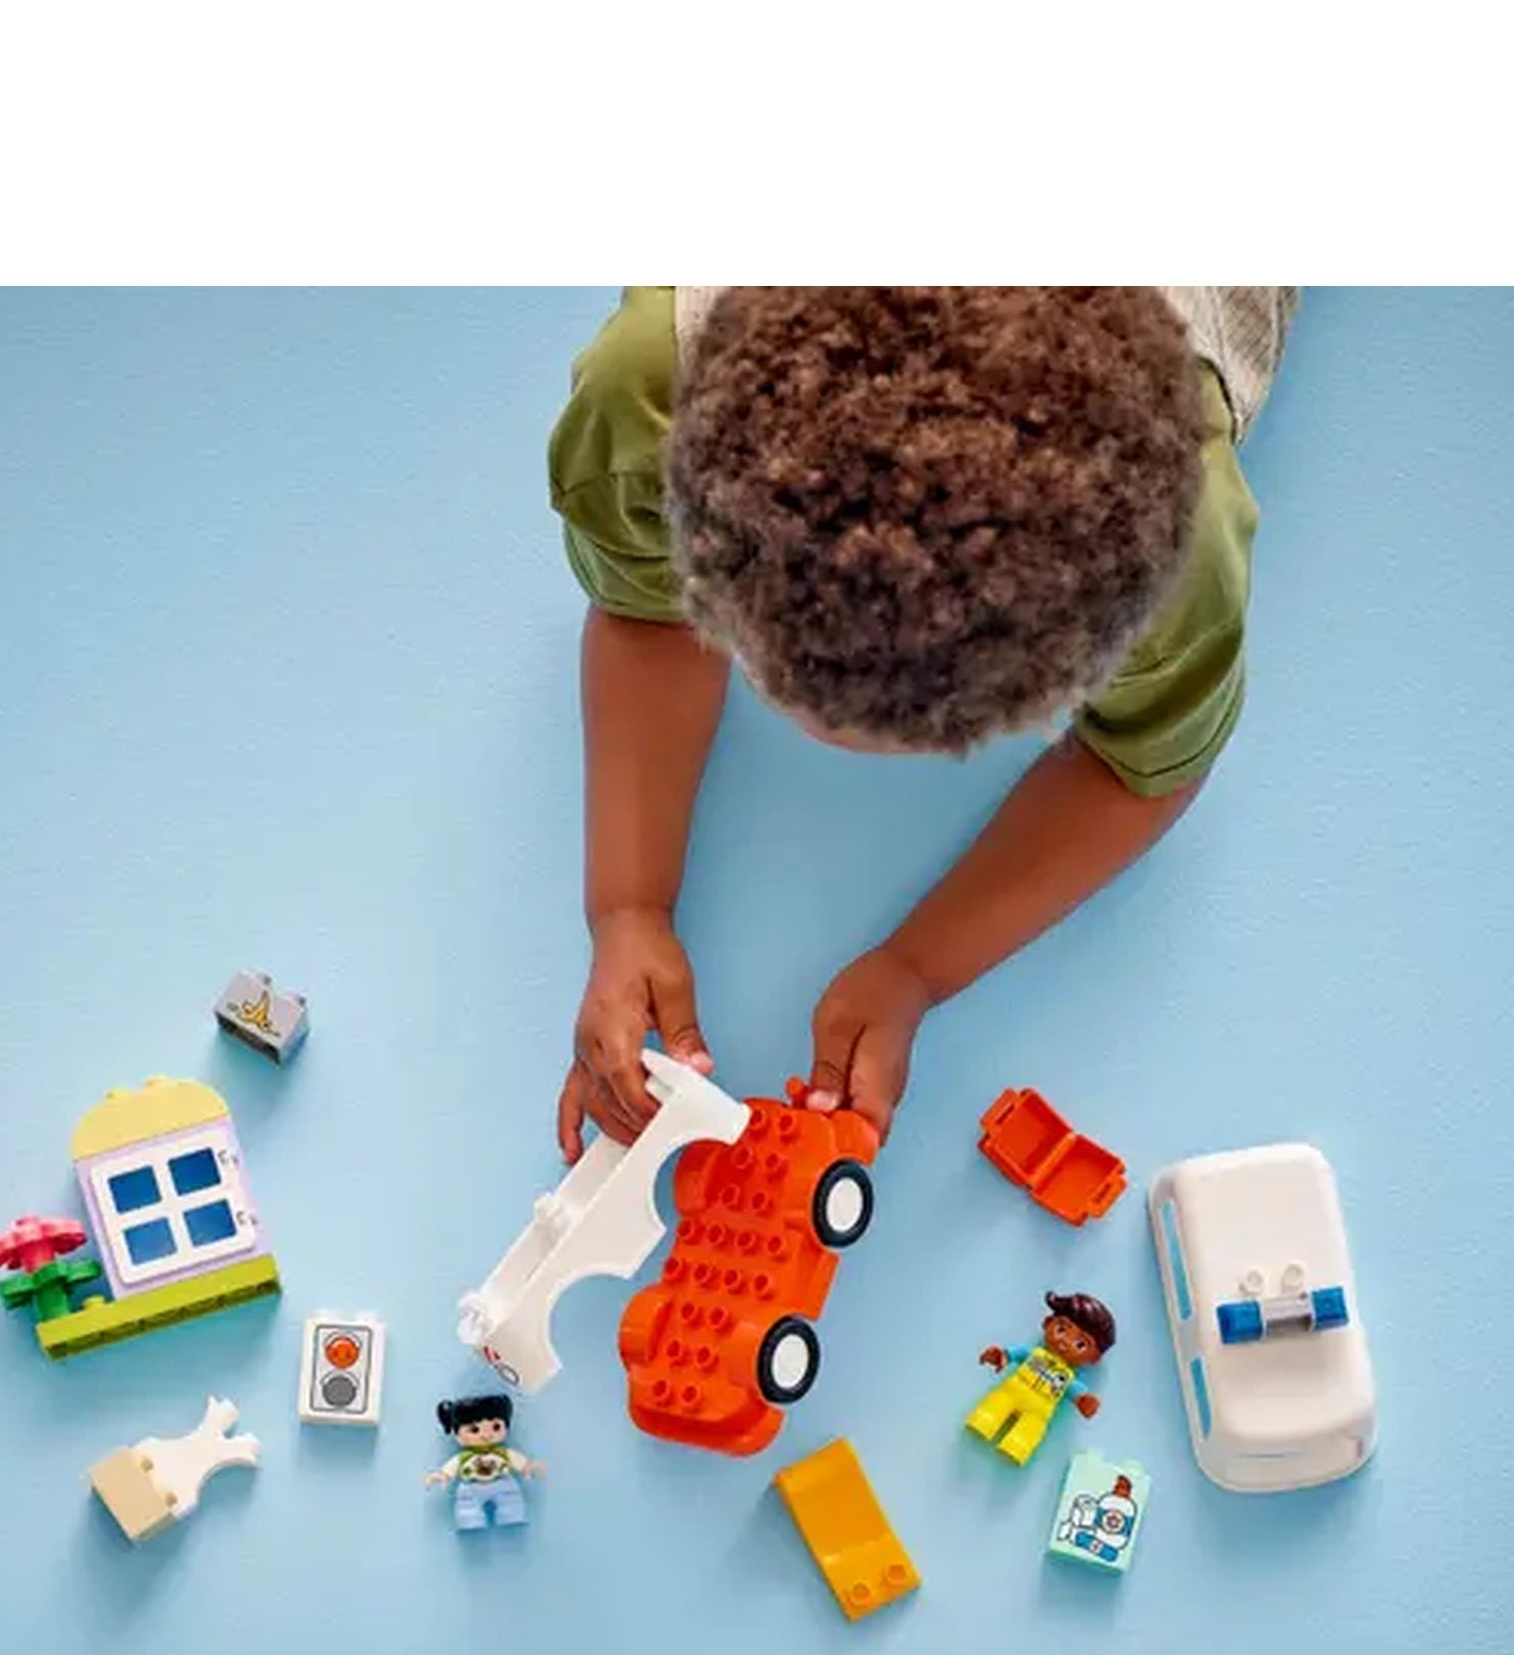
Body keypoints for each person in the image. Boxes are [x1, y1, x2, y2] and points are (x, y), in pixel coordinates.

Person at [547, 286, 1294, 1158]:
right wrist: (627, 903)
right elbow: (645, 611)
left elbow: (1144, 770)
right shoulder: (643, 402)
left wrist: (920, 968)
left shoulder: (1177, 564)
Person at [966, 1292, 1116, 1470]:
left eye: (1080, 1345)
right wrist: (1001, 1356)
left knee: (1031, 1429)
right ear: (1047, 1324)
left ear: (1094, 1358)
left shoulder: (1067, 1377)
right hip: (1011, 1392)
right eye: (1062, 1330)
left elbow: (1076, 1392)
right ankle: (984, 1420)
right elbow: (1013, 1354)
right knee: (996, 1404)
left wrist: (1083, 1401)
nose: (1065, 1343)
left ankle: (1018, 1446)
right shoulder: (1033, 1353)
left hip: (1038, 1411)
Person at [426, 1392, 543, 1531]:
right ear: (456, 1433)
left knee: (511, 1501)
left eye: (496, 1427)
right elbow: (452, 1467)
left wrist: (527, 1466)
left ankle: (512, 1516)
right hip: (471, 1487)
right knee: (467, 1507)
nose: (486, 1435)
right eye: (474, 1430)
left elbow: (517, 1461)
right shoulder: (463, 1457)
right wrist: (442, 1475)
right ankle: (470, 1521)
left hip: (503, 1483)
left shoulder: (503, 1453)